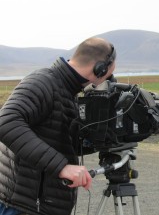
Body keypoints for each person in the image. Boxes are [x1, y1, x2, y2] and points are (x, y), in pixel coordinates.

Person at [0, 37, 117, 215]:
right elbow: (7, 122)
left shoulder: (68, 91)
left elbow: (56, 141)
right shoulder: (42, 82)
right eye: (109, 73)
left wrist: (99, 139)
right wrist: (62, 167)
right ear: (100, 68)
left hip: (38, 204)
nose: (109, 79)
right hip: (22, 205)